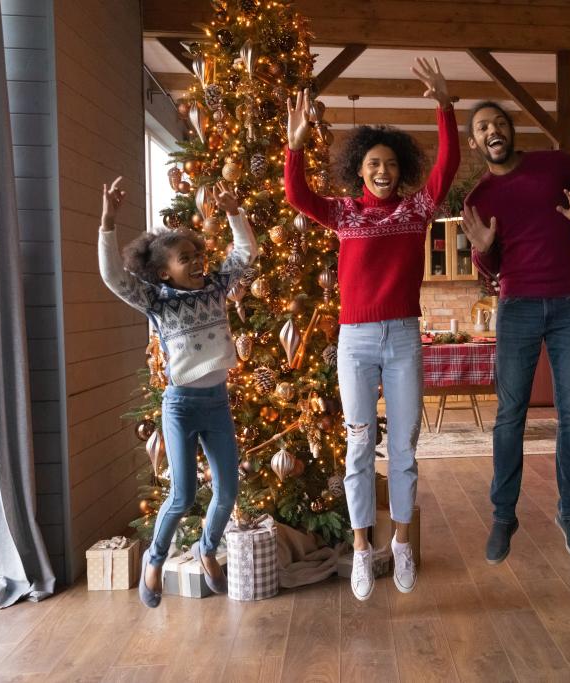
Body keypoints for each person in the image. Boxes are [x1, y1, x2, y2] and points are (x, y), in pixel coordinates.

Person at [284, 58, 458, 600]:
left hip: (404, 337)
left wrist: (445, 107)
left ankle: (400, 541)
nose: (382, 171)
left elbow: (448, 165)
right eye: (372, 164)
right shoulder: (343, 215)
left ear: (398, 170)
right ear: (359, 170)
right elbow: (297, 197)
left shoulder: (416, 211)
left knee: (405, 448)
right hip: (355, 341)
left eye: (389, 165)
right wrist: (293, 148)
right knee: (358, 447)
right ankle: (362, 548)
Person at [459, 101, 570, 565]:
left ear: (511, 130)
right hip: (517, 305)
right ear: (475, 142)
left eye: (499, 122)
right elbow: (492, 268)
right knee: (510, 416)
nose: (493, 130)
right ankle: (504, 516)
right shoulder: (477, 199)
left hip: (568, 304)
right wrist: (483, 252)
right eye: (483, 127)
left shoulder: (552, 163)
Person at [98, 177, 255, 608]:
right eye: (187, 258)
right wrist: (108, 223)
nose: (198, 261)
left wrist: (233, 212)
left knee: (227, 491)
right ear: (165, 271)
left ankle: (207, 549)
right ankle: (156, 557)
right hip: (182, 405)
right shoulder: (158, 300)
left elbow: (245, 253)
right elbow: (113, 278)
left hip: (217, 403)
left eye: (198, 254)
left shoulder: (216, 288)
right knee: (183, 493)